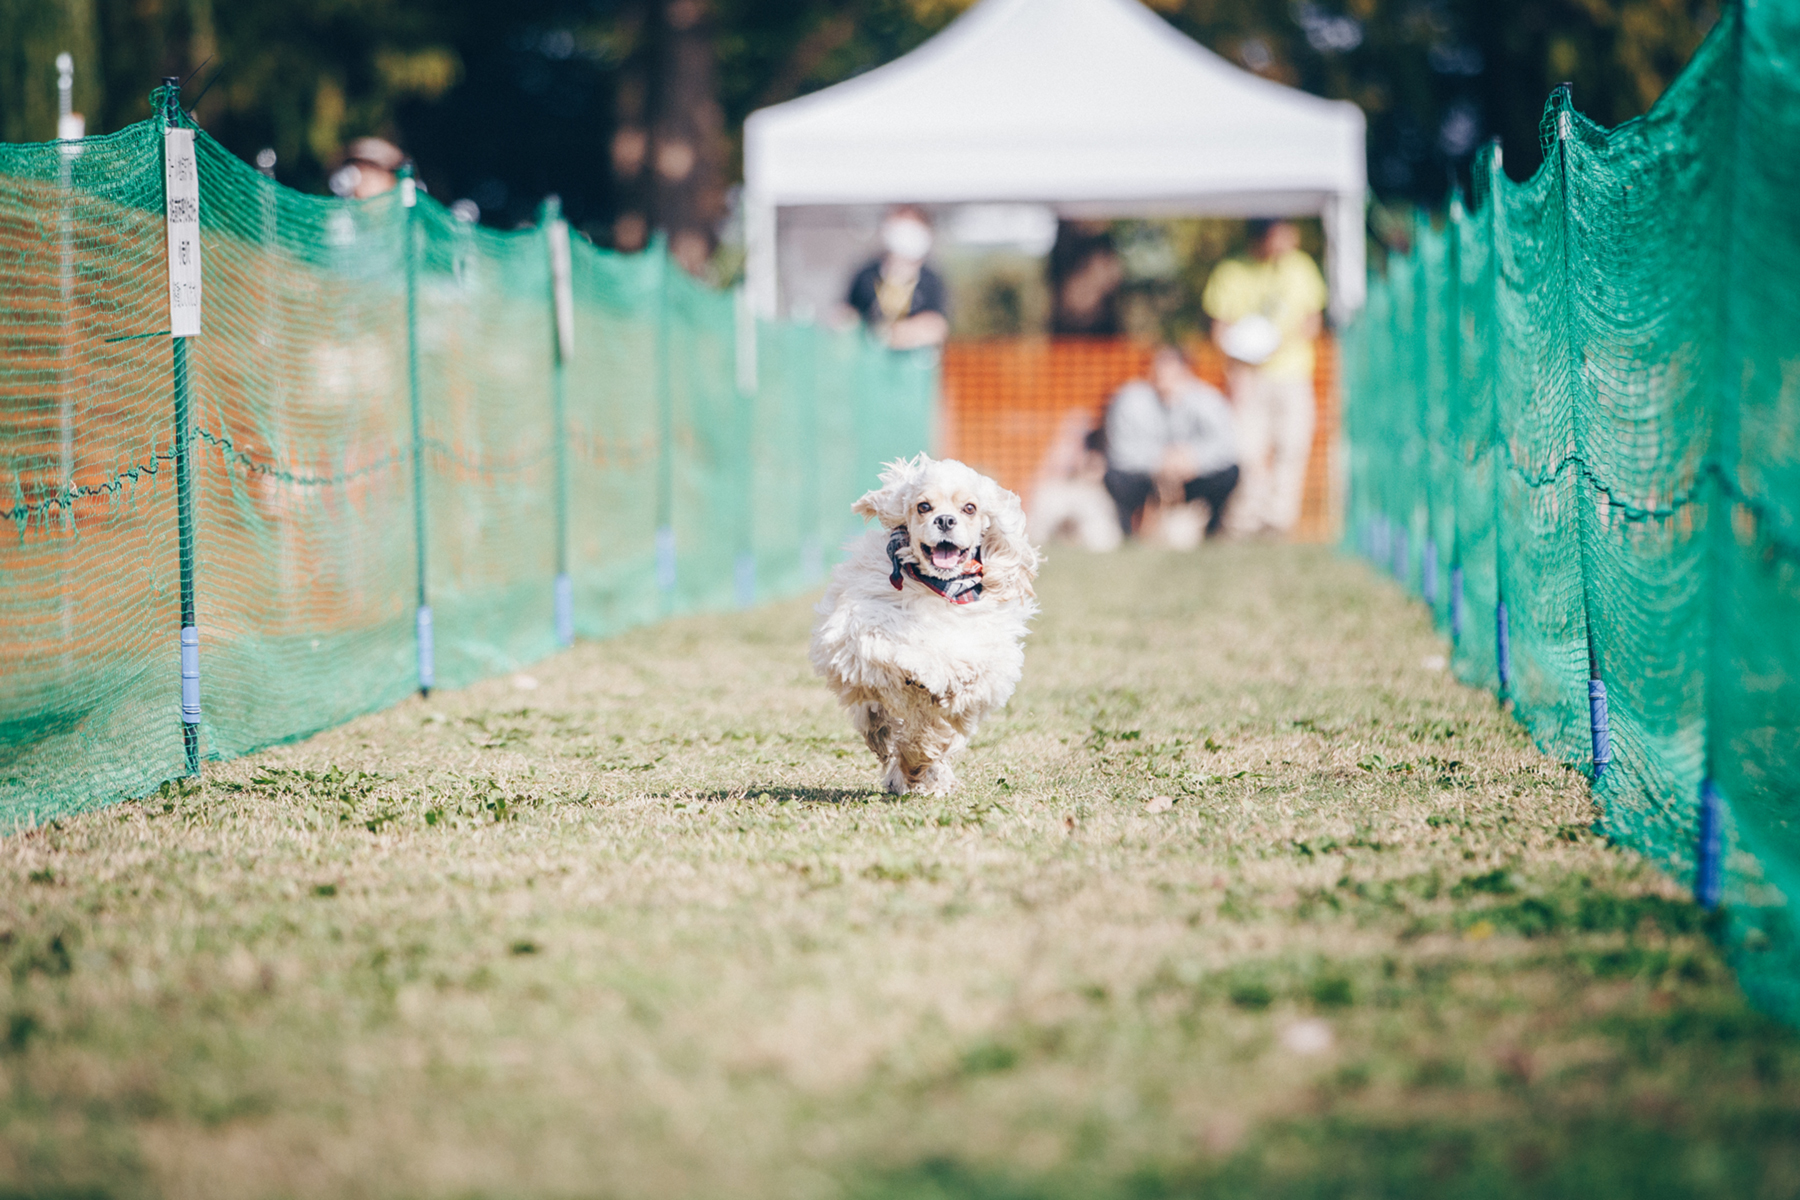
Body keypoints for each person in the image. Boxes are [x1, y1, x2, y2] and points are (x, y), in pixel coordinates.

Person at [1202, 218, 1328, 536]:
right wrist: (1243, 359)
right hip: (1248, 376)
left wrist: (1276, 344)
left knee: (1292, 445)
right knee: (1247, 450)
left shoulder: (1301, 268)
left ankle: (1279, 520)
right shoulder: (1230, 272)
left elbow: (1313, 321)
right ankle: (1248, 518)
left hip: (1293, 374)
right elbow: (1220, 330)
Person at [1101, 346, 1240, 542]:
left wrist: (1193, 459)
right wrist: (1160, 461)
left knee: (1229, 473)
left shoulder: (1207, 400)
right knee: (1116, 478)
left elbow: (1226, 447)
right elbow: (1120, 451)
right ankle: (1128, 533)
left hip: (1193, 476)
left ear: (1185, 372)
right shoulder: (1130, 400)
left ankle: (1212, 532)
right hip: (1146, 478)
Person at [845, 205, 950, 350]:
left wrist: (900, 333)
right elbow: (847, 316)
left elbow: (937, 327)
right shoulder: (866, 275)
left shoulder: (931, 281)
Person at [1028, 409, 1122, 553]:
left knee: (1101, 530)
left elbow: (1095, 476)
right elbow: (1050, 472)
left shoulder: (1096, 446)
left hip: (1086, 492)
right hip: (1062, 490)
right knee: (1046, 500)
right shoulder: (1061, 447)